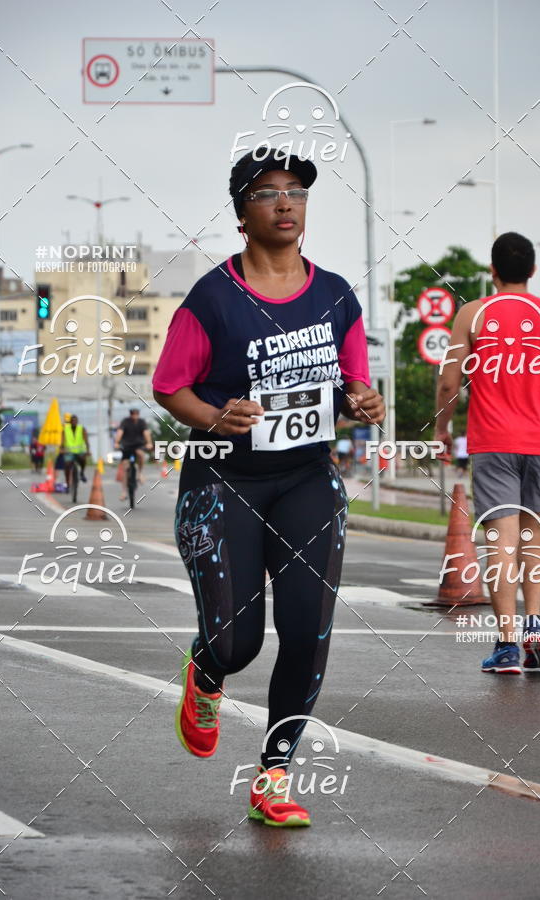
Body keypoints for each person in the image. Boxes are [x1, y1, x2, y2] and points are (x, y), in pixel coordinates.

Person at [152, 147, 385, 827]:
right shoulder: (213, 298)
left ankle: (274, 775)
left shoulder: (336, 294)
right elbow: (171, 386)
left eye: (296, 193)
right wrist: (214, 415)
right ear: (242, 215)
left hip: (308, 478)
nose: (285, 203)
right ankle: (207, 671)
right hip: (225, 482)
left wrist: (364, 403)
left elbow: (351, 385)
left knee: (308, 629)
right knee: (237, 642)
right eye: (267, 193)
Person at [435, 232, 540, 673]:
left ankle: (508, 646)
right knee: (533, 534)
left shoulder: (473, 314)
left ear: (492, 271)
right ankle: (534, 628)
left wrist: (442, 427)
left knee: (501, 539)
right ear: (533, 270)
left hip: (494, 441)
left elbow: (448, 381)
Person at [114, 409, 152, 500]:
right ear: (130, 415)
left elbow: (146, 433)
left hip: (138, 445)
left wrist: (149, 442)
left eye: (136, 414)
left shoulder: (141, 422)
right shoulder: (125, 421)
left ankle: (140, 473)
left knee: (140, 453)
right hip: (127, 446)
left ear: (138, 415)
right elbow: (120, 432)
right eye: (133, 415)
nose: (135, 416)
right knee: (125, 466)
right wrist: (117, 442)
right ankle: (123, 492)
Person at [60, 413, 90, 487]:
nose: (74, 422)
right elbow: (62, 442)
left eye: (75, 420)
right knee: (67, 465)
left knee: (83, 460)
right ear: (70, 422)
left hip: (80, 451)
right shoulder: (65, 429)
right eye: (72, 421)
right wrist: (62, 449)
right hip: (69, 452)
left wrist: (88, 451)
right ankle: (67, 482)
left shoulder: (82, 429)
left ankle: (82, 473)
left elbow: (86, 441)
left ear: (77, 421)